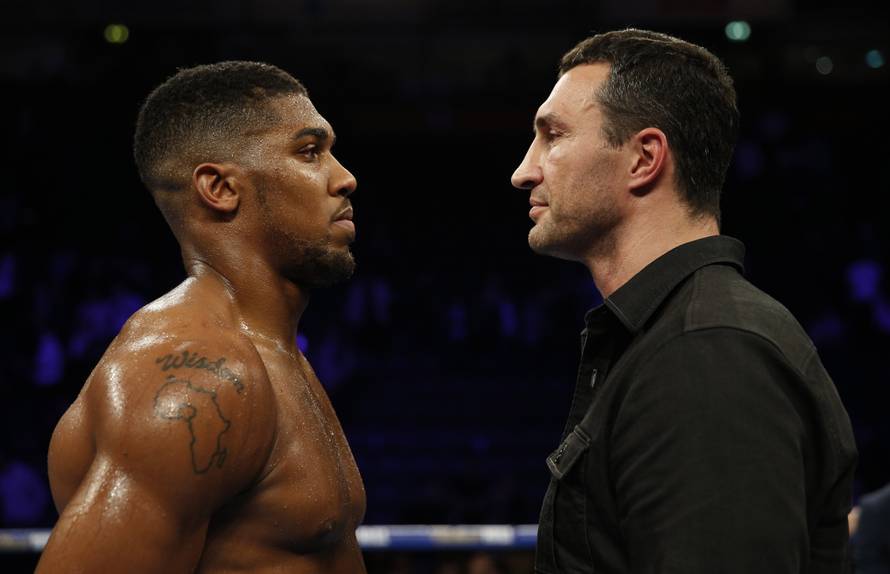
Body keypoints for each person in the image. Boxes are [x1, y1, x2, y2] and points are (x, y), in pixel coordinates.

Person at [510, 29, 857, 573]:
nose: (523, 170)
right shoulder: (679, 337)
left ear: (645, 158)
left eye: (552, 135)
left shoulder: (708, 351)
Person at [37, 61, 367, 573]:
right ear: (219, 188)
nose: (345, 177)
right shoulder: (198, 378)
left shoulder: (268, 353)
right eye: (308, 152)